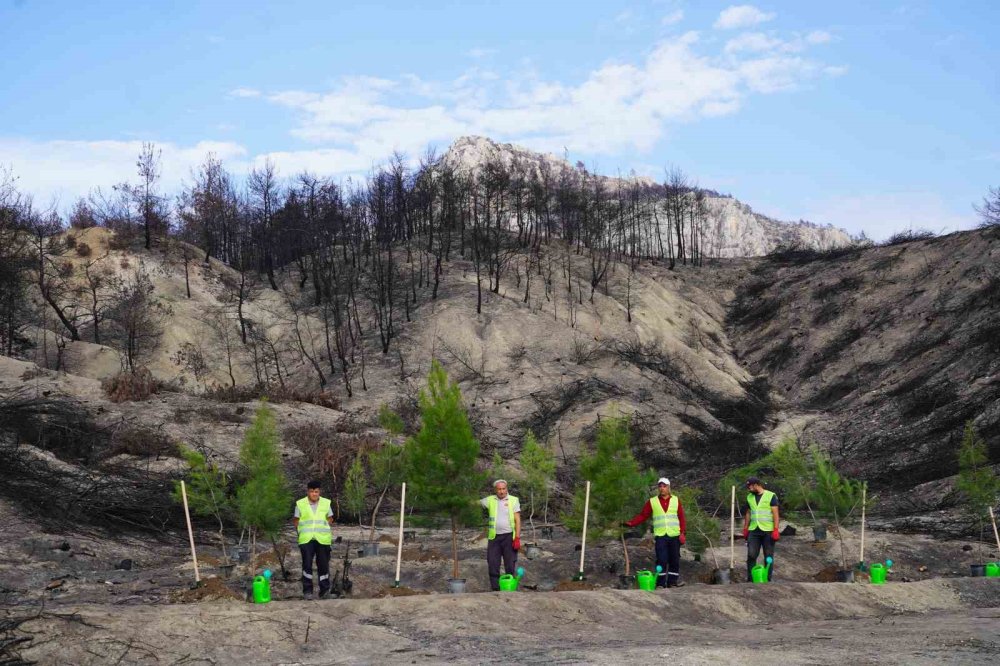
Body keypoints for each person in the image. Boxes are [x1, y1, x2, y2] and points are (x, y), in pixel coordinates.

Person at [626, 477, 687, 588]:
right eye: (660, 486)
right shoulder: (652, 501)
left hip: (674, 535)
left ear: (669, 487)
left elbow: (681, 517)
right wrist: (631, 523)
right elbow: (643, 515)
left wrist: (682, 532)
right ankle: (660, 583)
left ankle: (672, 582)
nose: (662, 488)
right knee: (662, 559)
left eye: (664, 486)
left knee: (674, 559)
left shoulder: (676, 500)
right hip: (661, 536)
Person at [292, 479, 335, 599]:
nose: (314, 494)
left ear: (319, 492)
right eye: (312, 492)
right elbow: (296, 520)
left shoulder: (326, 503)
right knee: (307, 565)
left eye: (316, 491)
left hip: (322, 539)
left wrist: (321, 528)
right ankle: (307, 592)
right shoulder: (300, 504)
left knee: (323, 565)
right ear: (308, 492)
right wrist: (302, 530)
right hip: (306, 539)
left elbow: (330, 518)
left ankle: (325, 591)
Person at [480, 479, 521, 591]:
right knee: (492, 563)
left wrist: (517, 537)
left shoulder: (513, 500)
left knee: (510, 564)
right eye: (499, 489)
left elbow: (517, 520)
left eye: (503, 489)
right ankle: (496, 589)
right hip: (494, 538)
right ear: (495, 490)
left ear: (506, 489)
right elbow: (475, 503)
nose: (502, 491)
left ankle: (510, 588)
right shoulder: (490, 500)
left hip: (509, 537)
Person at [742, 476, 780, 582]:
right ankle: (751, 579)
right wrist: (745, 528)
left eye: (749, 487)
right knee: (751, 555)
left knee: (768, 556)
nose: (748, 489)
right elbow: (748, 513)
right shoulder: (749, 497)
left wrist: (776, 529)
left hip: (768, 531)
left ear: (756, 485)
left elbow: (775, 514)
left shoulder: (771, 496)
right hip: (754, 531)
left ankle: (767, 579)